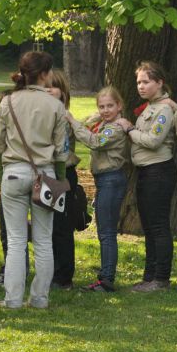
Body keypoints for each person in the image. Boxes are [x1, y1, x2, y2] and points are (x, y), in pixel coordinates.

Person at [0, 51, 68, 309]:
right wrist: (61, 178)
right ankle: (39, 298)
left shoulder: (8, 102)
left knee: (15, 241)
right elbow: (61, 150)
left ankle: (12, 298)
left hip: (13, 172)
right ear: (45, 74)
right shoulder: (55, 105)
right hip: (45, 174)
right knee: (44, 240)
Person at [116, 61, 177, 292]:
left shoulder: (164, 109)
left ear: (159, 83)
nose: (141, 86)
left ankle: (161, 278)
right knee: (148, 225)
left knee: (158, 226)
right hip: (146, 171)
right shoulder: (150, 107)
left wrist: (129, 129)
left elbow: (154, 141)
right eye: (138, 82)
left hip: (159, 171)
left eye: (146, 82)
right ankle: (149, 276)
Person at [69, 87, 130, 292]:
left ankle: (106, 279)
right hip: (103, 180)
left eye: (110, 106)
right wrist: (98, 116)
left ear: (119, 105)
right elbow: (88, 124)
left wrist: (71, 120)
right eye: (101, 106)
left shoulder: (115, 129)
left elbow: (94, 142)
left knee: (107, 231)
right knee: (104, 229)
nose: (105, 110)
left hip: (111, 179)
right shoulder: (105, 123)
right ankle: (105, 275)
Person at [47, 69, 80, 291]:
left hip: (62, 174)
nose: (48, 90)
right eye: (45, 86)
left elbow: (59, 150)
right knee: (47, 226)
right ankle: (51, 271)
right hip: (47, 174)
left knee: (61, 227)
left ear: (63, 92)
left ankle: (64, 276)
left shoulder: (63, 117)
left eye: (53, 86)